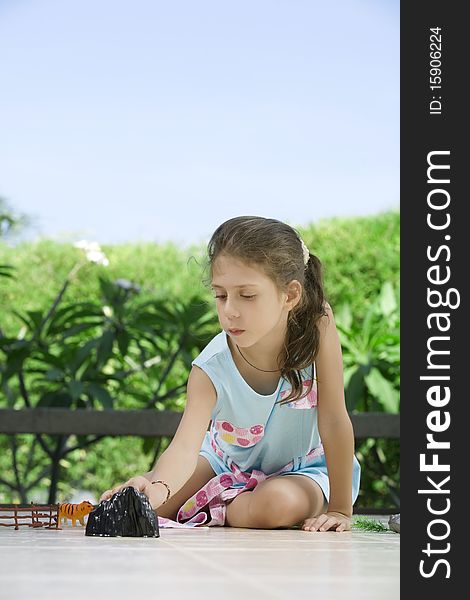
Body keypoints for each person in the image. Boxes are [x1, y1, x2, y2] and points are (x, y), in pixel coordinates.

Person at [99, 215, 361, 532]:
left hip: (304, 468)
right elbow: (184, 447)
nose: (229, 311)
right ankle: (163, 493)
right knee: (154, 506)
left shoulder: (318, 325)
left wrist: (341, 510)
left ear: (290, 295)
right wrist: (156, 488)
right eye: (220, 296)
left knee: (273, 505)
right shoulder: (210, 369)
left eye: (247, 295)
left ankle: (225, 507)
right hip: (224, 463)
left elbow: (334, 419)